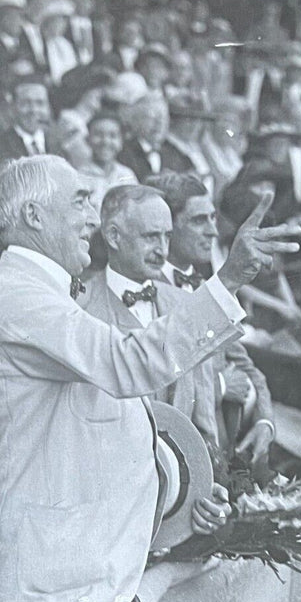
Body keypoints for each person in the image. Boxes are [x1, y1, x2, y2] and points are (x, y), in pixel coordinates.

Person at [0, 154, 301, 602]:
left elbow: (102, 427)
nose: (92, 217)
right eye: (81, 200)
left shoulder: (38, 292)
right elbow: (128, 364)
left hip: (80, 565)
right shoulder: (19, 297)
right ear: (33, 215)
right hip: (49, 573)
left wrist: (186, 490)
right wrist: (229, 280)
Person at [146, 172, 276, 459]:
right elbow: (152, 386)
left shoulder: (204, 285)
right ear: (165, 227)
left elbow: (248, 367)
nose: (213, 232)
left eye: (213, 218)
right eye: (198, 220)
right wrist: (220, 386)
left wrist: (265, 422)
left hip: (222, 449)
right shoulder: (147, 291)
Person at [80, 185, 220, 445]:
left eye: (167, 237)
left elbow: (204, 417)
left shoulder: (186, 303)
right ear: (113, 236)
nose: (163, 250)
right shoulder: (81, 308)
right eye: (151, 237)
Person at [0, 74, 53, 272]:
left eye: (39, 103)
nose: (34, 110)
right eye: (26, 103)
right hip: (11, 246)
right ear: (13, 107)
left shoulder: (56, 146)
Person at [76, 111, 138, 211]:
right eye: (98, 135)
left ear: (121, 141)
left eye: (113, 136)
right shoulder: (78, 176)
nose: (105, 141)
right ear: (87, 139)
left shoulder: (127, 175)